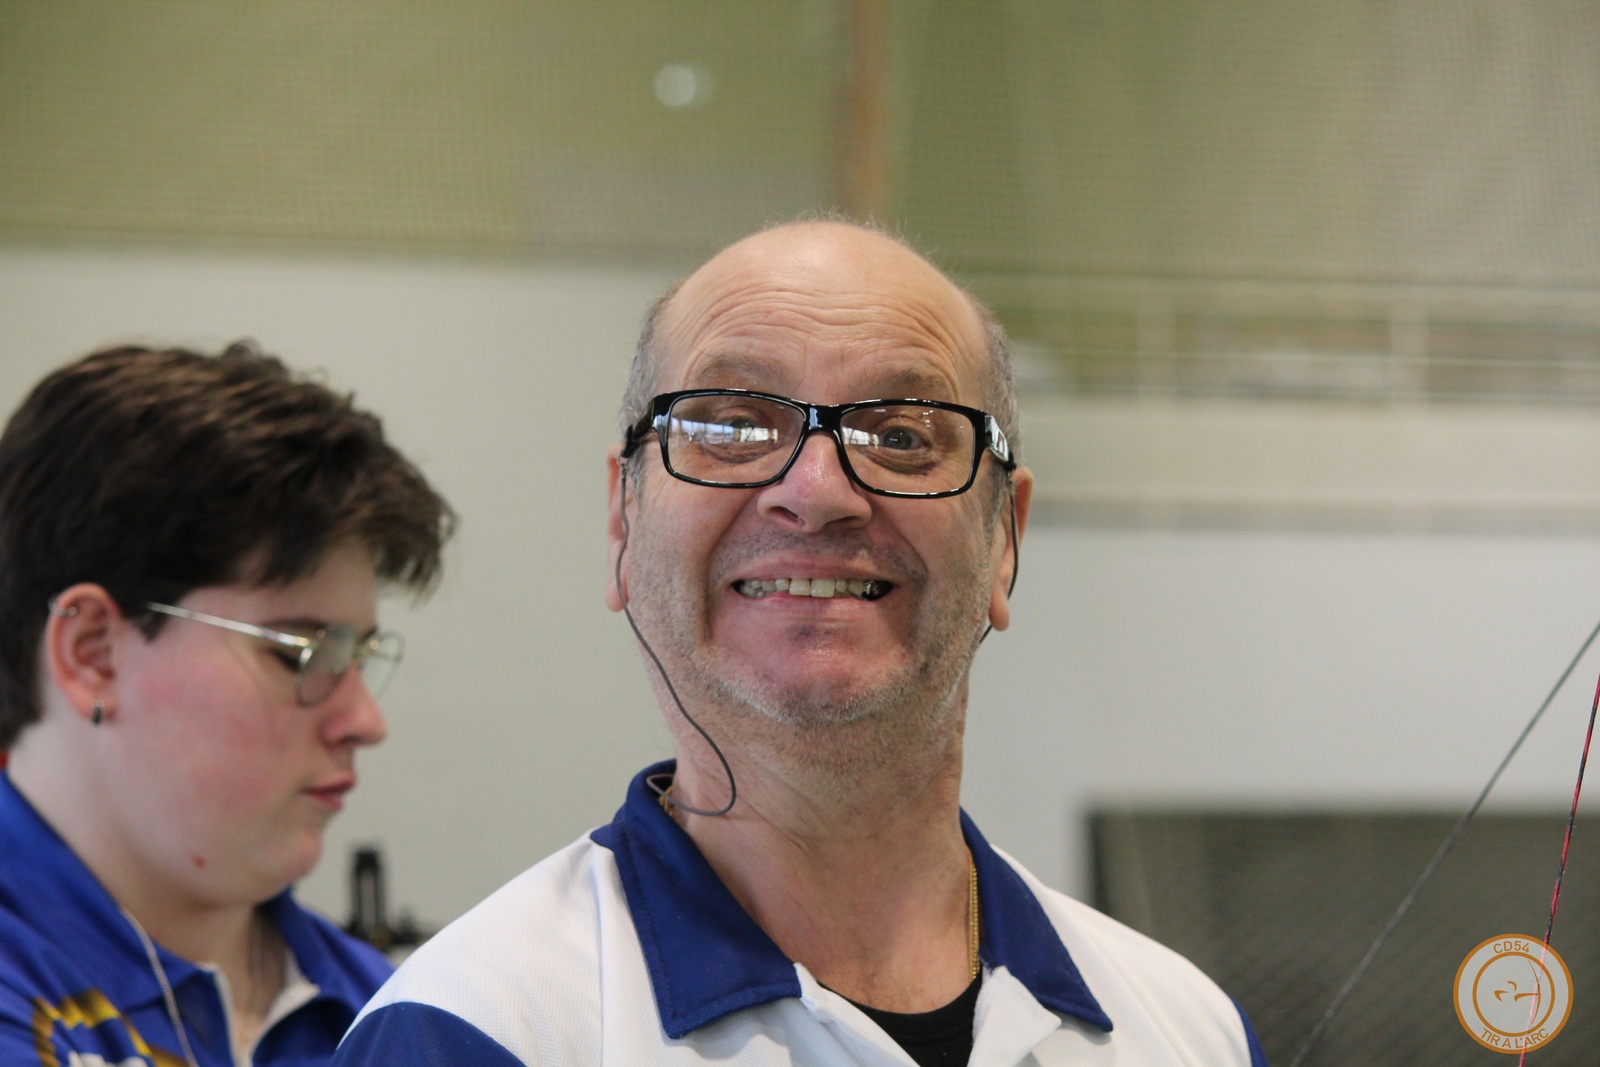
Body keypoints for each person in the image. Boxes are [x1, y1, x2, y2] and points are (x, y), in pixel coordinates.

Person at [334, 221, 1267, 1066]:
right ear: (622, 522)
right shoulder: (474, 1032)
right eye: (730, 426)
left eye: (902, 435)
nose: (817, 491)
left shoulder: (1188, 1035)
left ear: (1005, 539)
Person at [0, 343, 454, 1067]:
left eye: (360, 656)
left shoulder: (395, 1014)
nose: (367, 722)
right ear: (93, 651)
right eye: (302, 652)